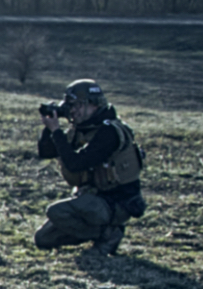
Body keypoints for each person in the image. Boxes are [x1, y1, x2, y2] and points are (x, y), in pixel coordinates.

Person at [34, 79, 145, 255]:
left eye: (76, 105)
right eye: (70, 106)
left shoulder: (109, 132)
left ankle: (109, 233)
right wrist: (49, 128)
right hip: (91, 198)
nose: (72, 111)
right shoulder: (81, 129)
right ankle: (98, 233)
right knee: (43, 239)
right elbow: (46, 152)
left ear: (94, 104)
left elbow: (76, 164)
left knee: (56, 212)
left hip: (116, 203)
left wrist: (57, 132)